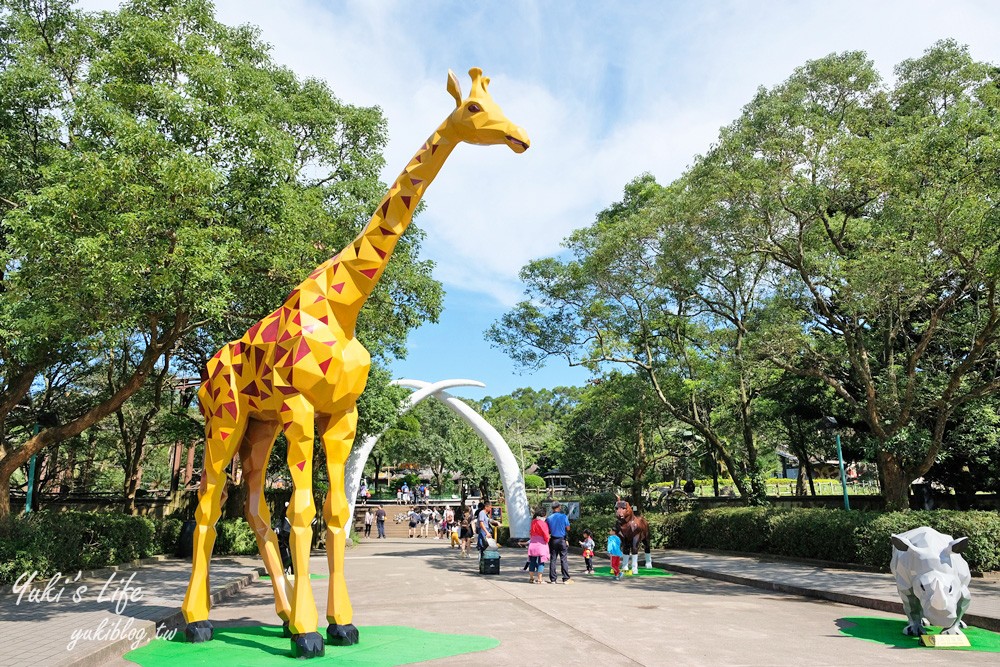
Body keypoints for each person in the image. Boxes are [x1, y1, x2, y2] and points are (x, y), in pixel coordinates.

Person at [546, 501, 573, 584]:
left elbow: (548, 530)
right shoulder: (564, 516)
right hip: (562, 539)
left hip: (553, 540)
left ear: (552, 508)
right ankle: (565, 578)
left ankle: (553, 579)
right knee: (563, 559)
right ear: (559, 507)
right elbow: (568, 528)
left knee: (553, 559)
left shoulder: (549, 518)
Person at [526, 507, 550, 584]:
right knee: (541, 561)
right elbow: (546, 534)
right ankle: (539, 579)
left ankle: (531, 578)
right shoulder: (543, 523)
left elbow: (531, 532)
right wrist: (547, 540)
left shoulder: (533, 522)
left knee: (532, 561)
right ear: (543, 514)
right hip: (541, 543)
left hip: (533, 543)